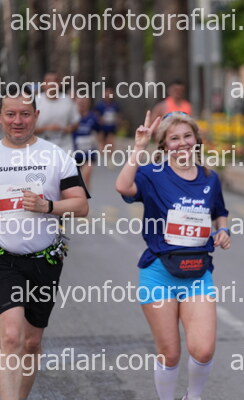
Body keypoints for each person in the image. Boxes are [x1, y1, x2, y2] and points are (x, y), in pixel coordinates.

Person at [116, 110, 230, 400]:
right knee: (169, 352)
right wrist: (138, 147)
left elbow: (220, 211)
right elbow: (123, 187)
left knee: (203, 349)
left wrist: (223, 230)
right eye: (174, 138)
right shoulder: (152, 174)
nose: (182, 143)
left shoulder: (209, 177)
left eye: (187, 136)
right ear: (164, 145)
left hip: (198, 273)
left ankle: (193, 396)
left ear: (196, 140)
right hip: (159, 272)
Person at [0, 86, 89, 400]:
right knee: (11, 336)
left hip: (45, 260)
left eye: (25, 114)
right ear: (1, 116)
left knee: (31, 342)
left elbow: (81, 206)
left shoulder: (56, 156)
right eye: (11, 114)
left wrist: (47, 206)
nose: (18, 121)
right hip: (4, 259)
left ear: (36, 115)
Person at [34, 72, 80, 152]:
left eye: (55, 81)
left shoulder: (68, 100)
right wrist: (47, 128)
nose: (52, 84)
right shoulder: (36, 101)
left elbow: (76, 122)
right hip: (42, 145)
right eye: (48, 81)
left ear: (60, 84)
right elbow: (28, 128)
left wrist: (68, 128)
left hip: (65, 146)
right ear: (43, 84)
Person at [73, 97, 100, 188]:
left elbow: (99, 131)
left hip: (88, 153)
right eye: (80, 102)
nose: (82, 104)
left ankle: (85, 194)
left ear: (88, 103)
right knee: (75, 182)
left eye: (84, 102)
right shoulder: (72, 118)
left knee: (85, 177)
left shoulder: (93, 117)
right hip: (74, 153)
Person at [94, 86, 121, 154]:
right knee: (102, 143)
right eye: (107, 93)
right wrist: (100, 119)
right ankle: (102, 156)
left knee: (110, 142)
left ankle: (110, 156)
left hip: (111, 127)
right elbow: (96, 115)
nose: (109, 95)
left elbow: (118, 115)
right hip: (102, 128)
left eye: (110, 93)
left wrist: (118, 123)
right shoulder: (100, 105)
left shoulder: (115, 105)